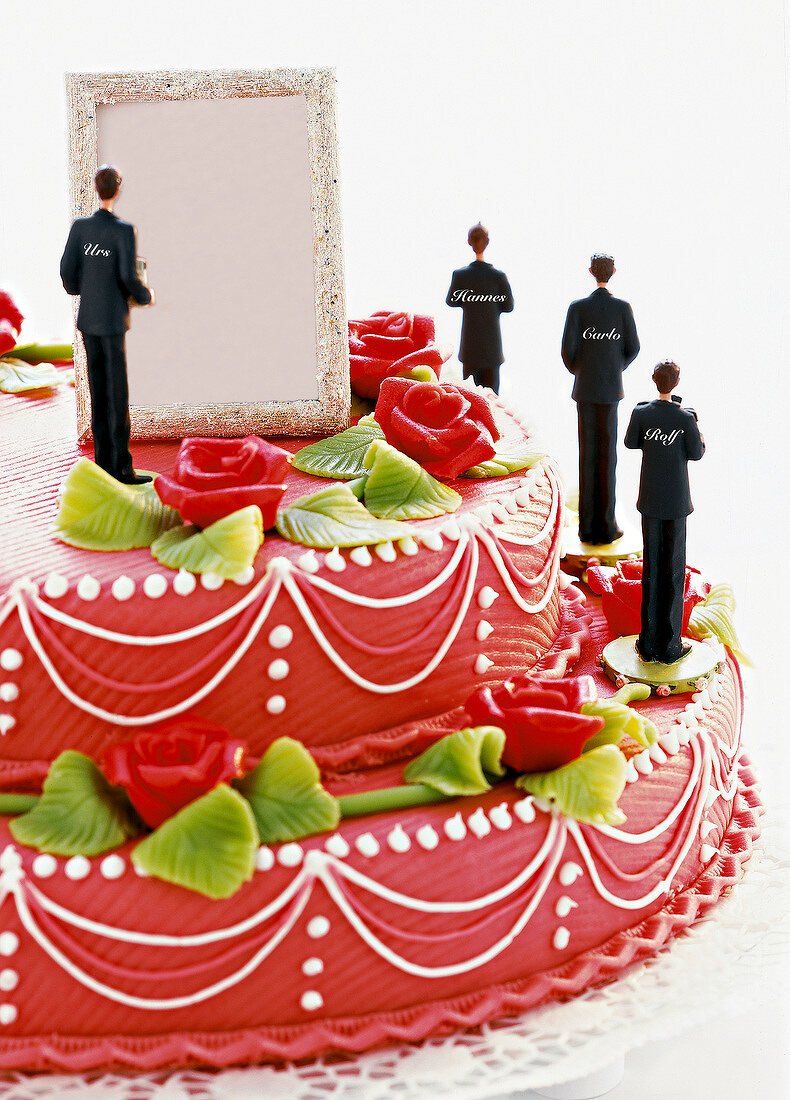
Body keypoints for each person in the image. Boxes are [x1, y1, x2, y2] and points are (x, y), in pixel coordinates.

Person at [60, 164, 154, 485]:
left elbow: (67, 271)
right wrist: (144, 295)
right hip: (112, 320)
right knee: (117, 394)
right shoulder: (122, 230)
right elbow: (128, 276)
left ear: (96, 188)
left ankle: (102, 466)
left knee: (98, 390)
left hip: (88, 319)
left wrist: (81, 289)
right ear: (117, 188)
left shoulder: (80, 229)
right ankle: (122, 469)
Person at [625, 360, 705, 664]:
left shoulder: (642, 412)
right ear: (677, 382)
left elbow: (631, 442)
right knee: (673, 571)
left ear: (654, 380)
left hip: (650, 500)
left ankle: (647, 642)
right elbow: (696, 453)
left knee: (651, 569)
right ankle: (671, 645)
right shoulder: (685, 417)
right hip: (676, 503)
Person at [561, 254, 640, 544]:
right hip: (610, 390)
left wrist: (582, 371)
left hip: (585, 389)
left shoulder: (578, 308)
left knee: (587, 457)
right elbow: (633, 347)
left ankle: (586, 527)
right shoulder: (622, 308)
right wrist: (613, 369)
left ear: (591, 271)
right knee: (608, 459)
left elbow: (568, 351)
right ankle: (606, 526)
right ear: (614, 271)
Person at [446, 223, 514, 393]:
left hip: (470, 347)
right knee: (492, 399)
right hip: (492, 348)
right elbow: (508, 306)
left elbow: (451, 301)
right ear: (488, 241)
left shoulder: (460, 275)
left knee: (471, 398)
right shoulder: (498, 277)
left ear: (469, 242)